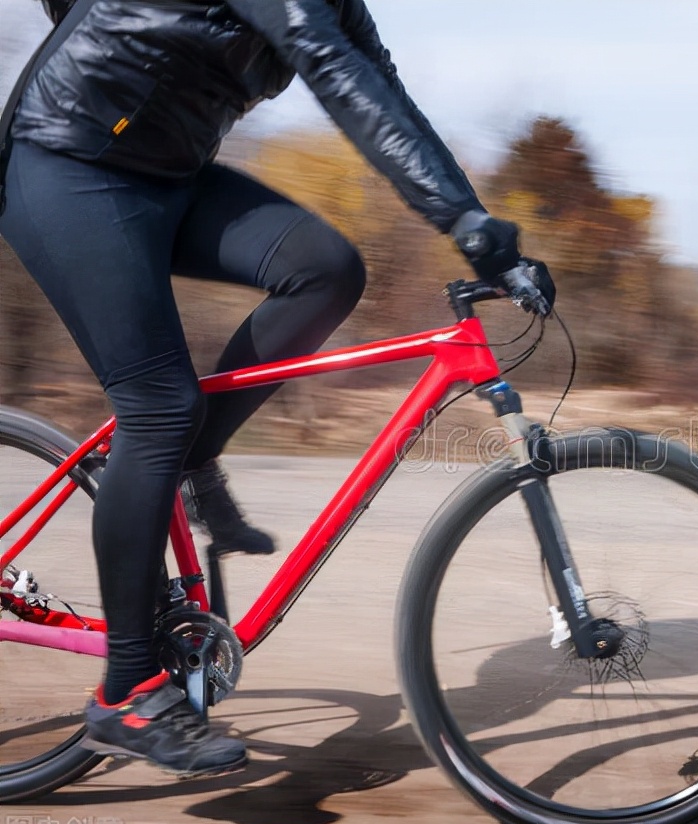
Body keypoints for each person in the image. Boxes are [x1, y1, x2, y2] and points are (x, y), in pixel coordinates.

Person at [0, 0, 552, 777]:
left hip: (171, 173)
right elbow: (327, 68)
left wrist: (474, 219)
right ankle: (126, 694)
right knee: (159, 407)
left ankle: (190, 464)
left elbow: (378, 85)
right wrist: (456, 217)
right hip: (71, 162)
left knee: (324, 270)